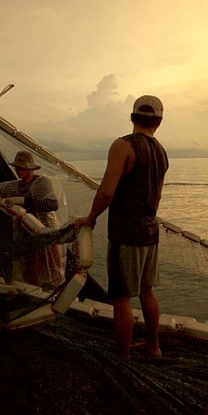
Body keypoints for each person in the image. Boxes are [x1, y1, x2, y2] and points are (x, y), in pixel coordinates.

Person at [76, 95, 168, 360]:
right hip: (150, 232)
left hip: (126, 234)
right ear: (159, 122)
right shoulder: (161, 152)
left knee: (120, 298)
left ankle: (122, 357)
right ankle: (154, 346)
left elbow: (106, 192)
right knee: (147, 291)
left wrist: (91, 218)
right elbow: (157, 198)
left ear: (132, 117)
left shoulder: (123, 146)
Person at [0, 150, 63, 288]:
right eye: (17, 167)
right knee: (30, 269)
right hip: (25, 234)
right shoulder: (14, 186)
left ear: (30, 168)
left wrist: (24, 201)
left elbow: (52, 204)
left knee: (50, 269)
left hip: (44, 232)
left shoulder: (42, 182)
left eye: (22, 168)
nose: (19, 170)